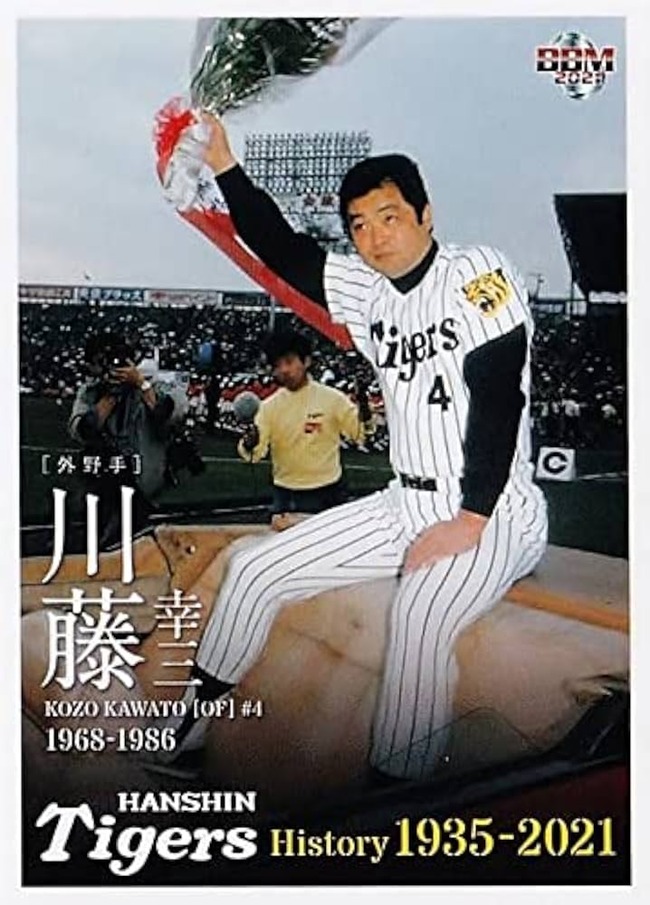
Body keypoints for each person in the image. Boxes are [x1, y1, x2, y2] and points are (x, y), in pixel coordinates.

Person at [161, 114, 548, 783]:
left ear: (426, 215)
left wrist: (470, 519)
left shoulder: (477, 271)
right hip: (405, 502)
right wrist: (225, 163)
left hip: (496, 509)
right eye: (359, 224)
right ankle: (188, 732)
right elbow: (282, 250)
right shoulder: (367, 292)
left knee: (421, 614)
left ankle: (397, 793)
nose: (374, 236)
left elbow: (499, 393)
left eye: (389, 217)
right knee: (254, 568)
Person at [237, 327, 373, 530]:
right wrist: (249, 443)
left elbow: (360, 434)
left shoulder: (333, 399)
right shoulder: (268, 407)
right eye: (278, 365)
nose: (284, 370)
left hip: (329, 492)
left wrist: (365, 410)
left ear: (306, 361)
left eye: (289, 362)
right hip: (286, 494)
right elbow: (254, 454)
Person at [69, 333, 183, 546]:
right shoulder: (92, 392)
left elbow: (170, 414)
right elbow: (82, 431)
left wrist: (141, 384)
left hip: (143, 481)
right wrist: (111, 395)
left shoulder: (155, 385)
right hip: (103, 483)